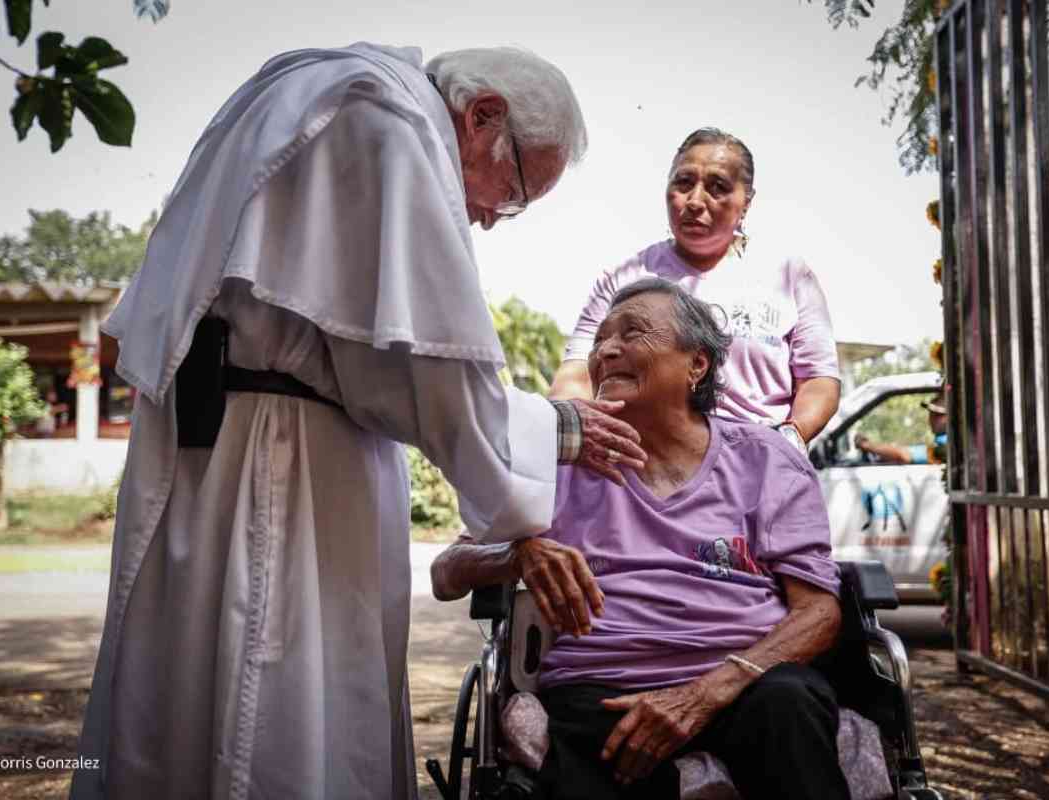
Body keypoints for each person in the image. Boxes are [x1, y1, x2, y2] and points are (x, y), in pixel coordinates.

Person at [70, 43, 648, 800]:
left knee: (193, 688)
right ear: (481, 116)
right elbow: (424, 373)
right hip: (283, 458)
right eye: (511, 194)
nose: (492, 219)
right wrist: (557, 430)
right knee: (274, 691)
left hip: (226, 437)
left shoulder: (310, 87)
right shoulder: (387, 122)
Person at [433, 278, 849, 800]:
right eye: (600, 340)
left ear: (696, 364)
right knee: (592, 738)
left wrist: (702, 696)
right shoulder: (556, 461)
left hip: (744, 684)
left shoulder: (764, 457)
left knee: (790, 703)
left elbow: (819, 613)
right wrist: (518, 554)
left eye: (632, 334)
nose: (606, 350)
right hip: (601, 694)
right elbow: (446, 572)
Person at [548, 127, 841, 452]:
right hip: (642, 468)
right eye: (683, 183)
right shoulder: (625, 277)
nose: (695, 201)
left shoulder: (790, 277)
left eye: (718, 188)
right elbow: (577, 373)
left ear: (747, 201)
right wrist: (572, 427)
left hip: (757, 466)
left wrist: (786, 440)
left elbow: (819, 380)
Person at [854, 393, 948, 466]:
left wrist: (866, 445)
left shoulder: (948, 445)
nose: (931, 419)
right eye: (931, 414)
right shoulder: (942, 441)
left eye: (938, 415)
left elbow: (905, 456)